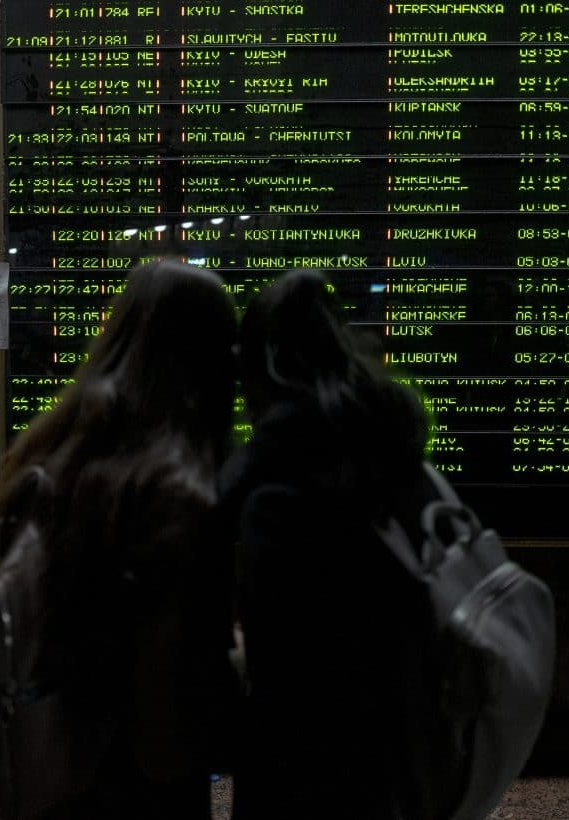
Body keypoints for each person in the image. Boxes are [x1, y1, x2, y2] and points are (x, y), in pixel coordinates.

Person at [0, 259, 240, 820]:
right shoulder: (177, 495)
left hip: (54, 768)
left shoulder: (52, 456)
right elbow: (167, 734)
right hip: (135, 791)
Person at [220, 268, 431, 820]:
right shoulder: (396, 444)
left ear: (256, 366)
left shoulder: (268, 482)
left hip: (300, 757)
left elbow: (276, 644)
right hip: (401, 733)